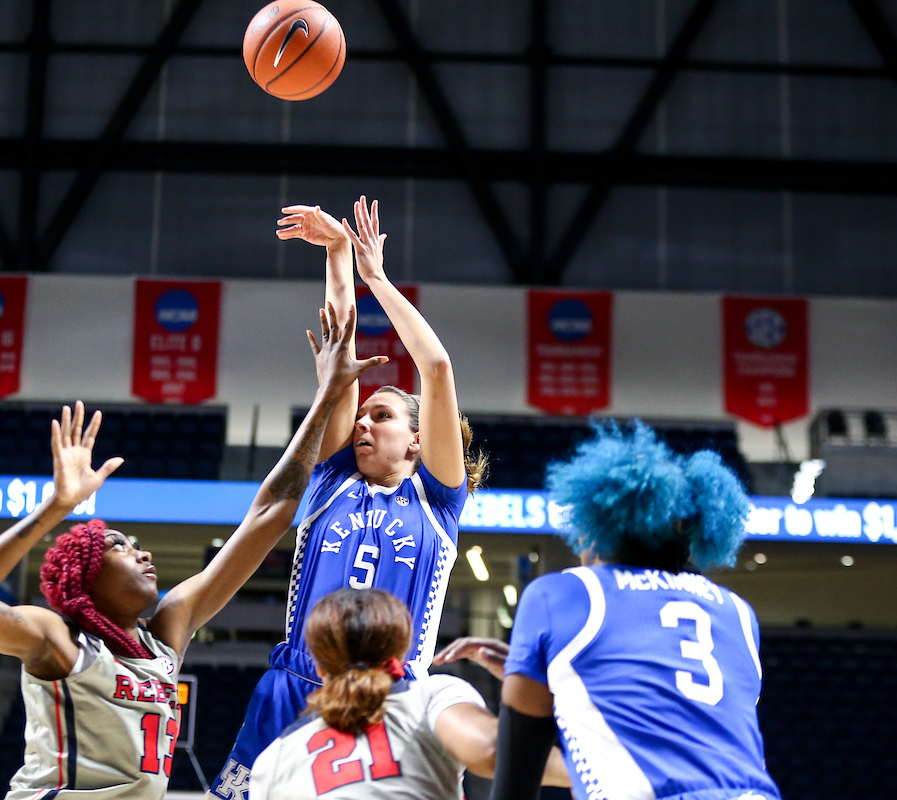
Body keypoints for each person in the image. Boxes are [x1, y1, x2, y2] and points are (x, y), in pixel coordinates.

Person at [0, 303, 386, 800]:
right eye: (120, 548)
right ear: (87, 578)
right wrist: (55, 508)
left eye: (136, 545)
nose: (142, 554)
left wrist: (326, 398)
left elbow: (271, 513)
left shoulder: (166, 633)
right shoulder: (59, 640)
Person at [211, 197, 488, 799]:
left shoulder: (438, 501)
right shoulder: (332, 482)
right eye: (362, 416)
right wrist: (336, 256)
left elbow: (436, 368)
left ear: (417, 439)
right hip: (296, 684)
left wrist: (375, 279)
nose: (363, 422)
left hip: (391, 695)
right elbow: (340, 357)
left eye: (381, 416)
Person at [440, 423, 782, 800]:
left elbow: (516, 776)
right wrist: (558, 678)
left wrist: (532, 677)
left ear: (596, 528)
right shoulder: (736, 611)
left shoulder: (564, 592)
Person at [248, 588, 501, 799]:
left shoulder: (274, 759)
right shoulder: (434, 696)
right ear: (402, 650)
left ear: (319, 668)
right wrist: (522, 681)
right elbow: (493, 752)